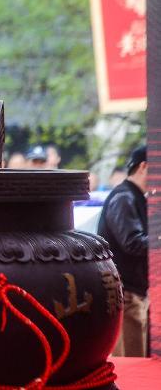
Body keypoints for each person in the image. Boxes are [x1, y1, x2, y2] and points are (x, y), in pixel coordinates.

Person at [97, 145, 149, 357]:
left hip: (133, 292)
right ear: (144, 166)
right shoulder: (124, 198)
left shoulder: (134, 197)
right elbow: (133, 243)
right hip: (126, 293)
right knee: (131, 362)